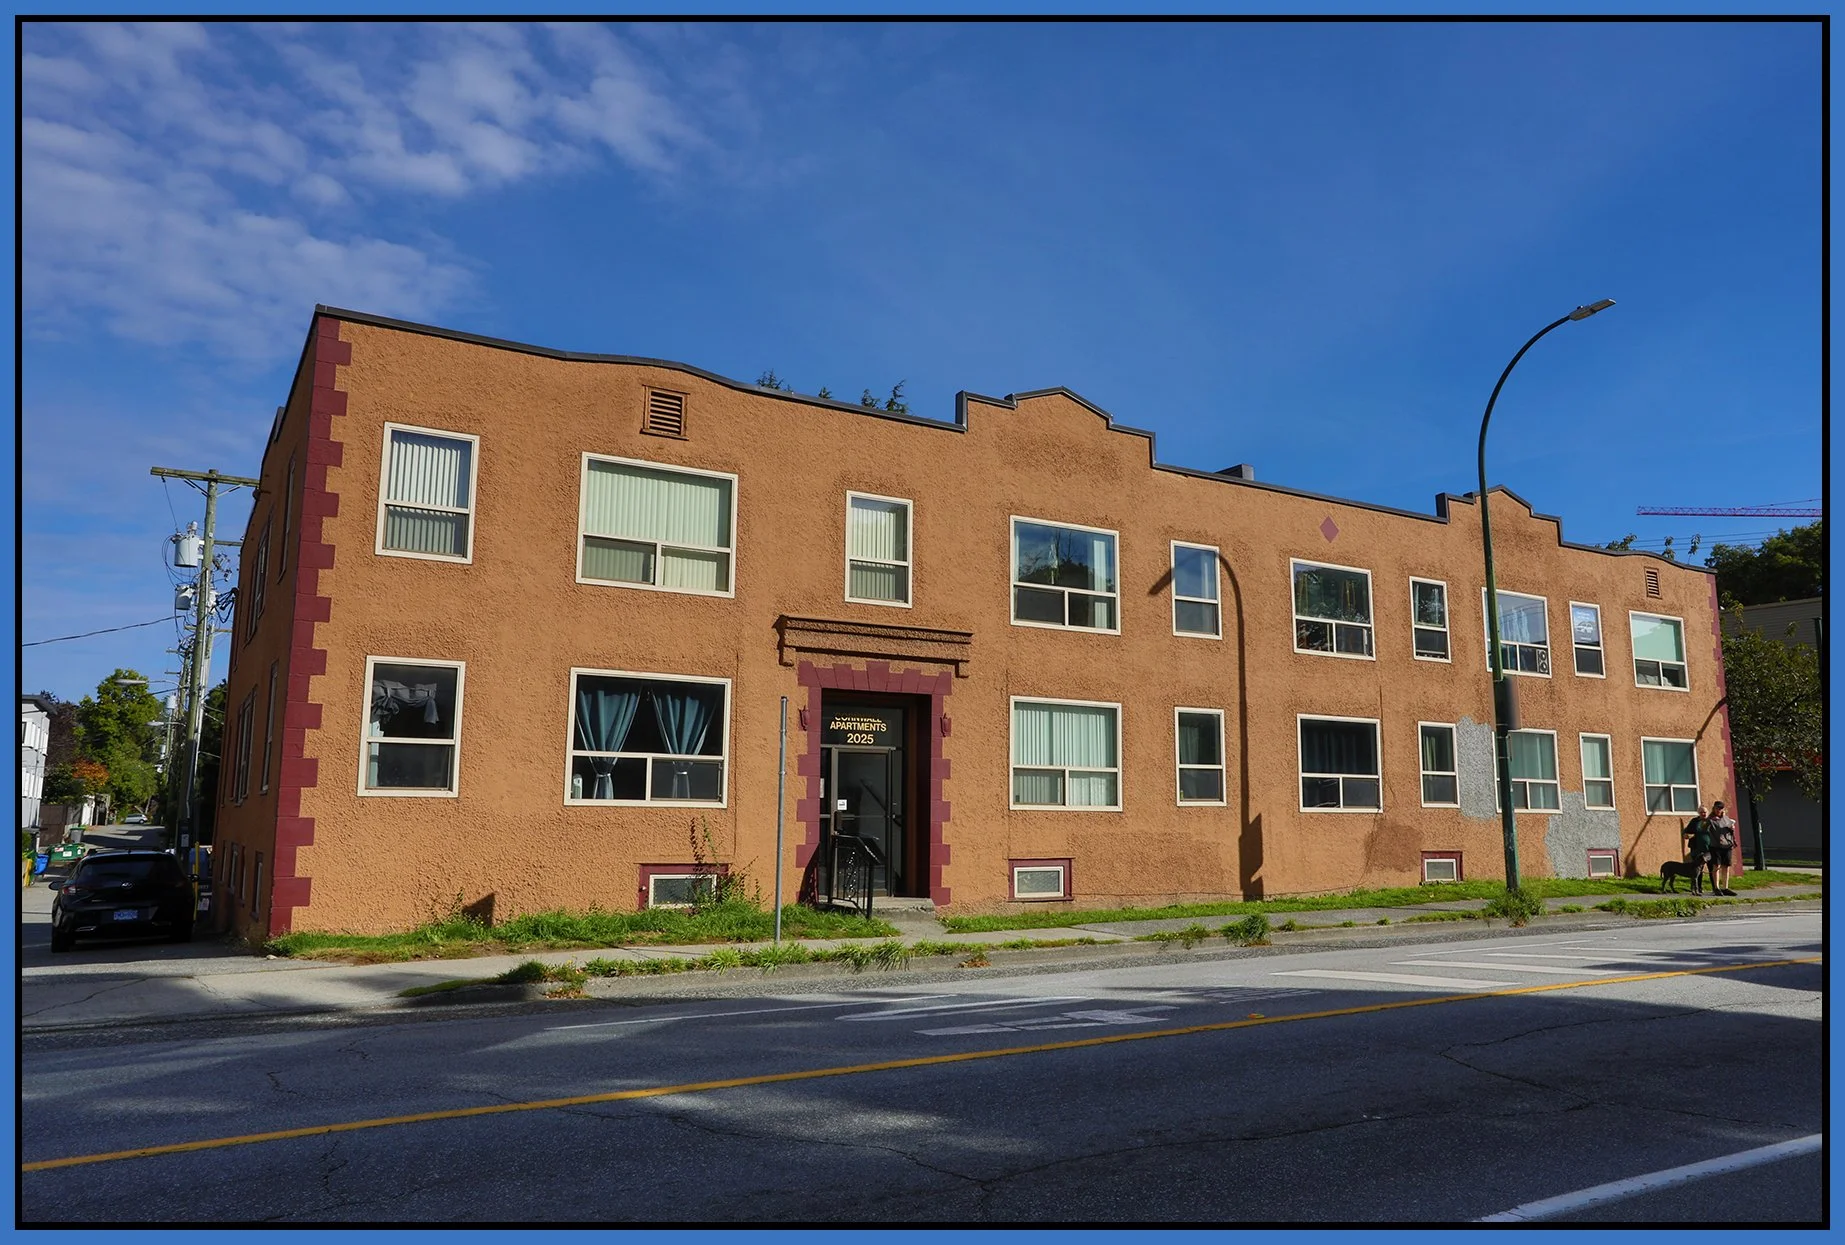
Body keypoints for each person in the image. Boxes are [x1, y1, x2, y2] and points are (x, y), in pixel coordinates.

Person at [1708, 800, 1739, 896]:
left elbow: (1730, 830)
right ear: (1714, 808)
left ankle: (1725, 887)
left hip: (1727, 845)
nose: (1719, 810)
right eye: (1717, 808)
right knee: (1716, 866)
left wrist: (1731, 827)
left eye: (1720, 809)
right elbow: (1712, 828)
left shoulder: (1726, 819)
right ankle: (1716, 887)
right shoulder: (1711, 819)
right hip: (1716, 845)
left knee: (1726, 866)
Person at [1681, 806, 1714, 896]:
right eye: (1701, 812)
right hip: (1696, 849)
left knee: (1712, 868)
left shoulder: (1711, 821)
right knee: (1698, 869)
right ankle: (1698, 888)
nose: (1704, 814)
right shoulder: (1694, 821)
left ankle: (1715, 888)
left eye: (1705, 812)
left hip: (1709, 849)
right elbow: (1686, 831)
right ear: (1698, 813)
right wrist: (1686, 835)